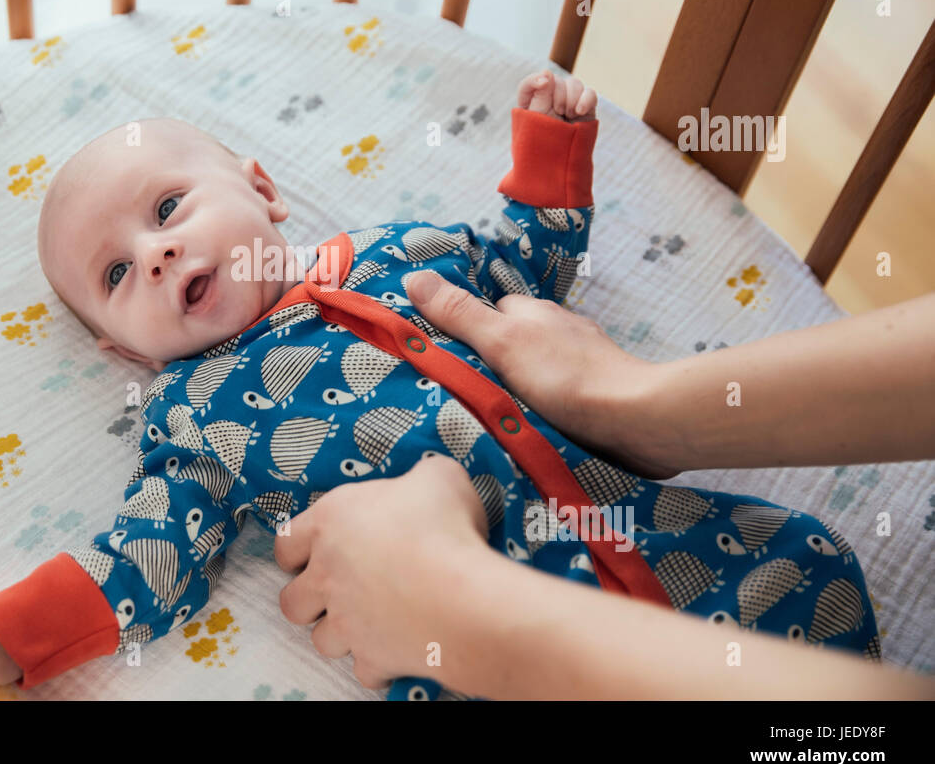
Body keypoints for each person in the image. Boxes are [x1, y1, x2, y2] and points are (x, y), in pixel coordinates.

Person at [275, 277, 935, 698]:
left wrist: (453, 609)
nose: (163, 255)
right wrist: (634, 402)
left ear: (260, 188)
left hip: (701, 556)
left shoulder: (396, 254)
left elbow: (520, 262)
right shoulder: (181, 411)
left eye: (170, 209)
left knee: (804, 559)